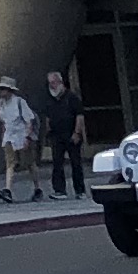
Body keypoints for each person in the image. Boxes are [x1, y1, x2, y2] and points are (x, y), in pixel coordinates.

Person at [42, 65, 87, 196]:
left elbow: (80, 116)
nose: (52, 85)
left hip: (71, 133)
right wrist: (48, 133)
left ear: (60, 82)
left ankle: (80, 190)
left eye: (54, 82)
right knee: (57, 163)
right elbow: (47, 117)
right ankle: (60, 191)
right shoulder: (49, 100)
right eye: (50, 83)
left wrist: (77, 132)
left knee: (76, 163)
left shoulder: (71, 97)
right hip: (56, 135)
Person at [0, 80, 39, 202]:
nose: (1, 91)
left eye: (4, 89)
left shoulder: (19, 102)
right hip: (9, 136)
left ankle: (37, 188)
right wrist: (3, 136)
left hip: (21, 135)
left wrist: (27, 138)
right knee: (10, 163)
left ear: (10, 90)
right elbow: (3, 121)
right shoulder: (1, 103)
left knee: (29, 164)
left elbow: (29, 120)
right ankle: (7, 190)